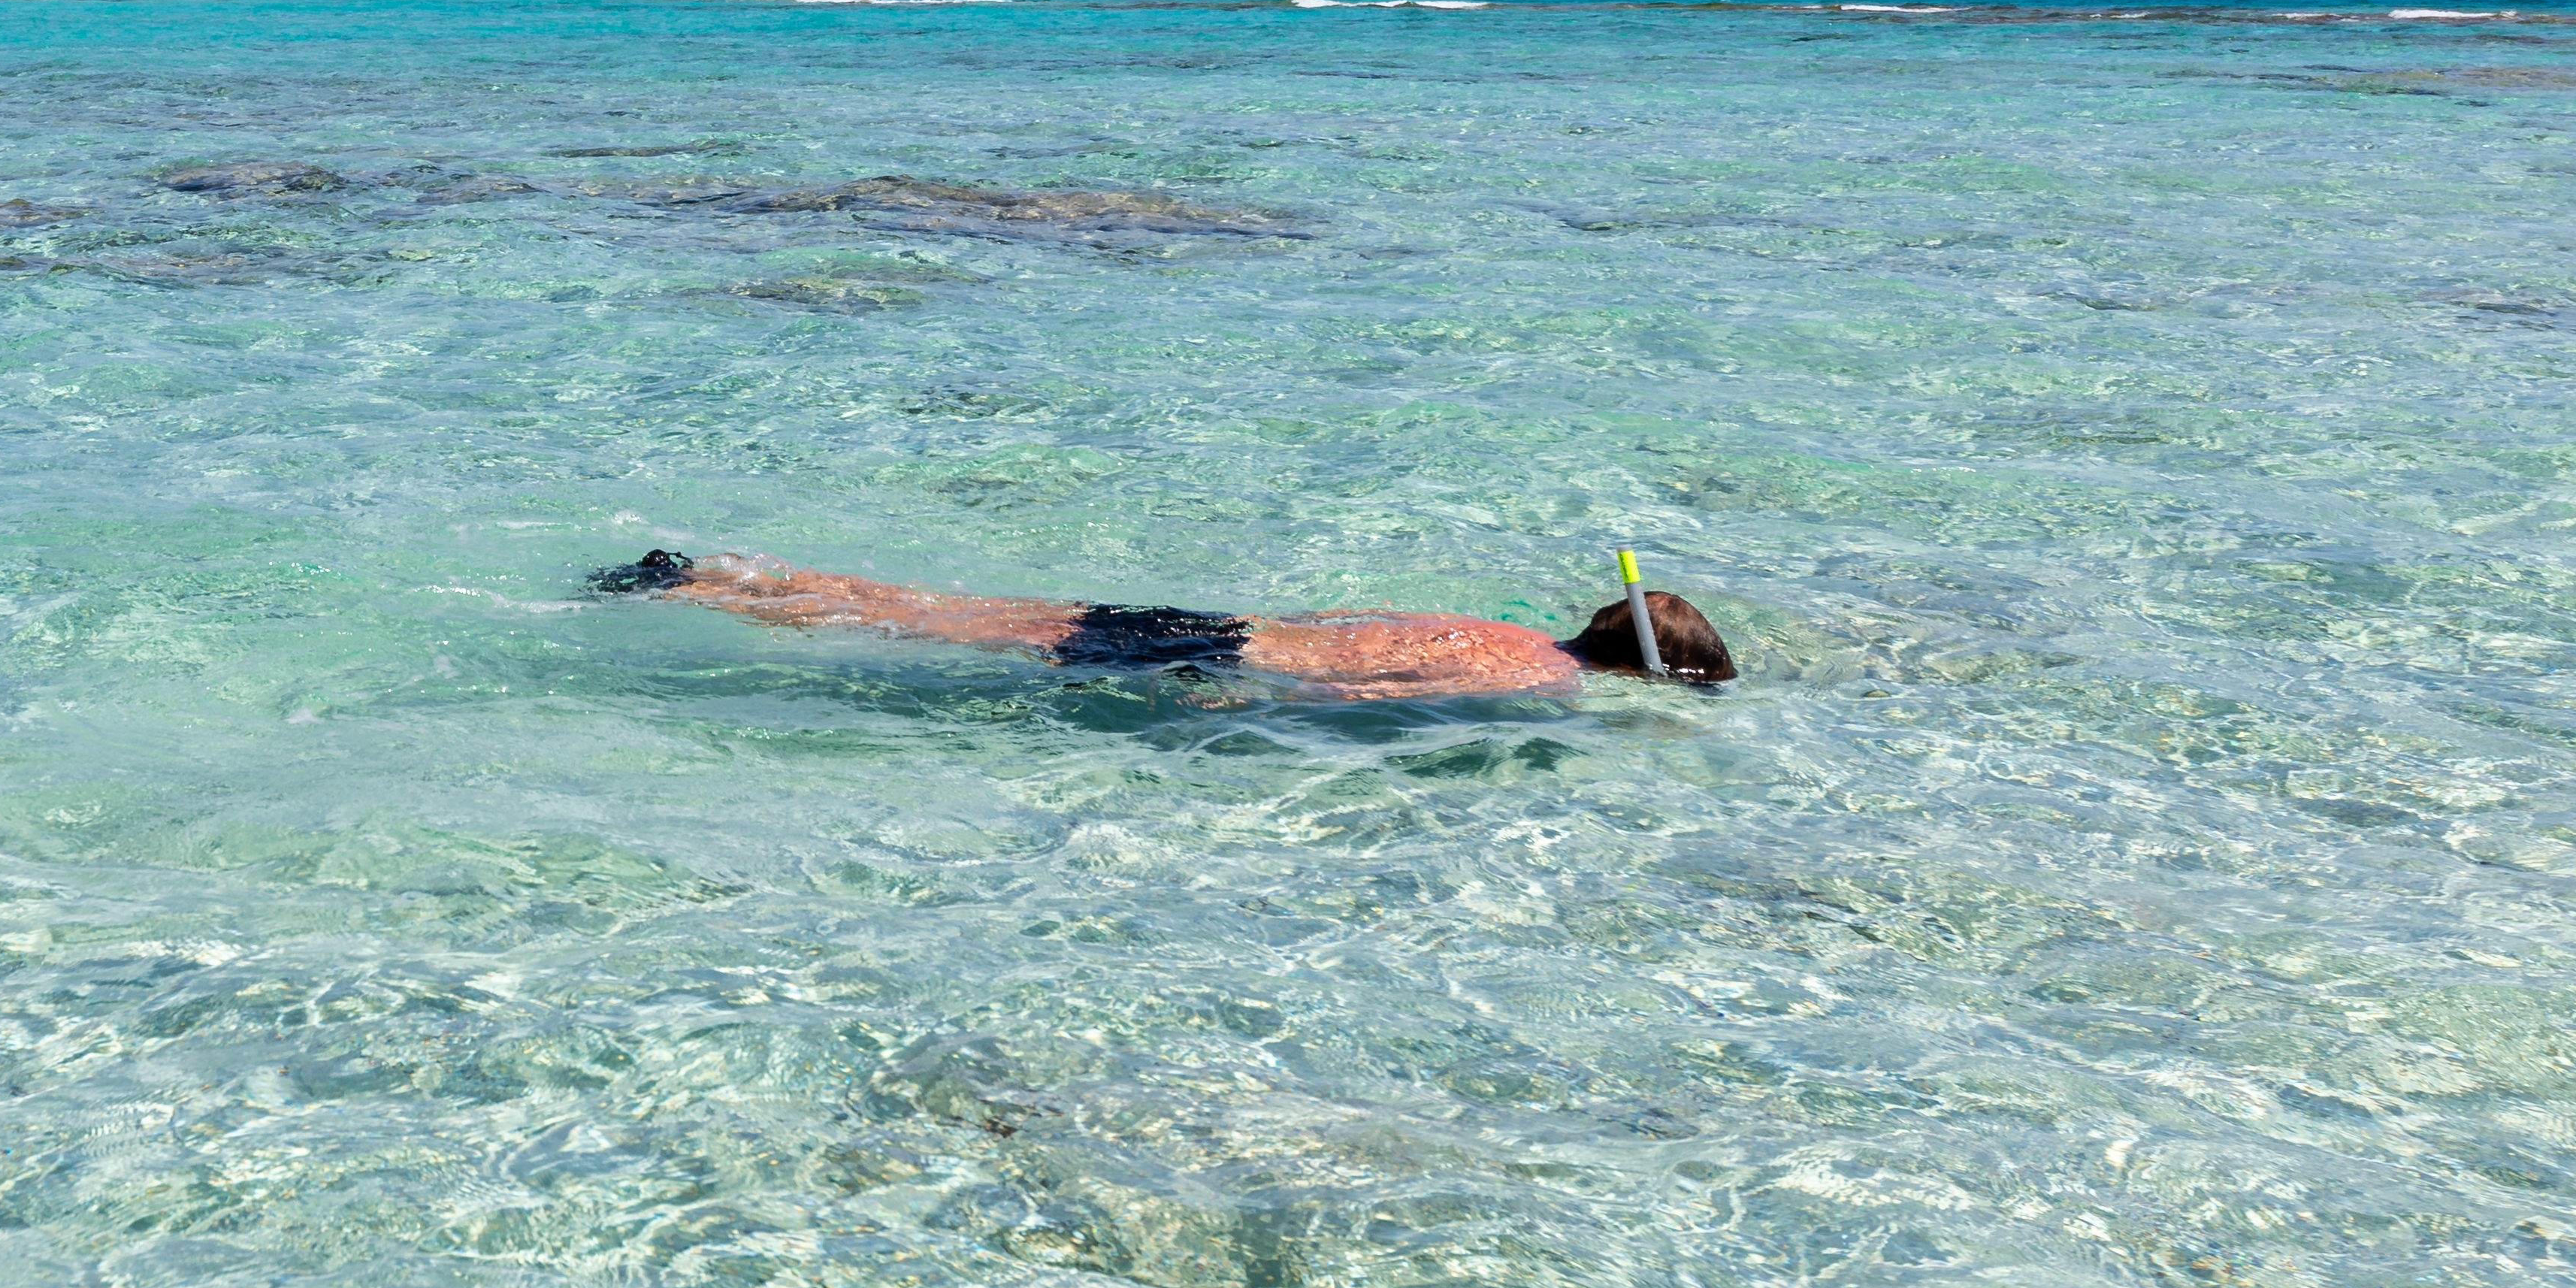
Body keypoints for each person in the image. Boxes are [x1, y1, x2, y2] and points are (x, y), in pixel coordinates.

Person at [588, 546, 1735, 694]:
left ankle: (730, 568)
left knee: (945, 604)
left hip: (1217, 611)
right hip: (1209, 652)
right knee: (934, 632)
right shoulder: (1540, 682)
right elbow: (1353, 692)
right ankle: (689, 593)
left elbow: (1347, 624)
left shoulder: (1489, 628)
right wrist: (1231, 708)